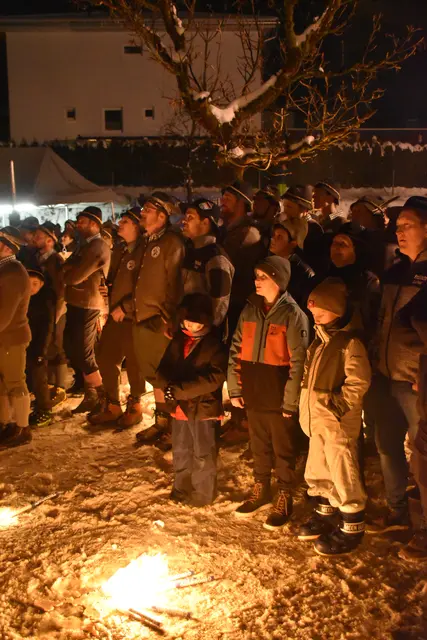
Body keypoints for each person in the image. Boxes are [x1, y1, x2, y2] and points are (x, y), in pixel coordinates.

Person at [228, 255, 309, 529]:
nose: (257, 281)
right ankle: (261, 487)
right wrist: (235, 387)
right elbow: (236, 349)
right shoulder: (250, 310)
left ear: (278, 280)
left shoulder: (293, 315)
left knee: (284, 448)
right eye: (256, 276)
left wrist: (290, 401)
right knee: (259, 444)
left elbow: (299, 362)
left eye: (263, 276)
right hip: (254, 391)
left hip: (278, 394)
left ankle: (285, 494)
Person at [295, 278, 371, 556]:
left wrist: (337, 407)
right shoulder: (319, 343)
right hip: (318, 420)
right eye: (313, 311)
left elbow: (358, 381)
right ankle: (324, 512)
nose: (316, 316)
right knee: (318, 466)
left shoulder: (349, 343)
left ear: (338, 311)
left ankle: (352, 521)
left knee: (342, 468)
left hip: (337, 422)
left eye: (322, 312)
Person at [373, 196, 427, 531]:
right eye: (397, 226)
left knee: (422, 457)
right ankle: (398, 511)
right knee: (386, 445)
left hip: (415, 380)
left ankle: (422, 524)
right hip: (385, 373)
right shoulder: (394, 272)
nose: (399, 231)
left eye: (407, 225)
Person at [155, 293, 227, 506]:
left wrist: (180, 390)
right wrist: (166, 385)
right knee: (181, 449)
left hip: (204, 408)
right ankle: (181, 487)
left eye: (196, 323)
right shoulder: (179, 340)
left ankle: (203, 493)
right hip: (180, 408)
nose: (191, 326)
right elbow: (164, 367)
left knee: (204, 452)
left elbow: (214, 379)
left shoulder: (214, 345)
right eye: (187, 322)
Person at [133, 192, 186, 445]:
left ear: (162, 216)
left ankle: (175, 427)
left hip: (160, 320)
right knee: (154, 374)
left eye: (147, 209)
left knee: (167, 375)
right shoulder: (148, 241)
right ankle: (161, 422)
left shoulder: (171, 242)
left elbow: (175, 283)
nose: (142, 213)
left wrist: (170, 318)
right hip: (145, 318)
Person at [88, 208, 146, 428]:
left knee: (135, 362)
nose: (120, 224)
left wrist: (127, 306)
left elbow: (148, 286)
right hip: (115, 313)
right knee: (106, 357)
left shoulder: (145, 249)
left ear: (137, 225)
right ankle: (112, 405)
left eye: (125, 221)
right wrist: (109, 292)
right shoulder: (120, 249)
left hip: (134, 315)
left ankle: (136, 404)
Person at [62, 206, 111, 413]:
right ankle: (90, 393)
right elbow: (67, 268)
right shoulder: (85, 245)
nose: (78, 225)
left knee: (84, 352)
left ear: (94, 224)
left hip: (89, 303)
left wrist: (68, 273)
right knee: (73, 348)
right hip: (77, 301)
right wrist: (69, 271)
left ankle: (101, 394)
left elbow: (74, 276)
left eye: (82, 222)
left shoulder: (97, 246)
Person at [219, 180, 265, 337]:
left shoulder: (248, 233)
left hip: (237, 307)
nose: (222, 201)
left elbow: (228, 266)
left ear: (241, 203)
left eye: (228, 198)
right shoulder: (226, 231)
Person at [0, 227, 32, 449]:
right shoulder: (5, 269)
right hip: (5, 336)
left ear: (7, 247)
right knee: (3, 383)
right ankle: (7, 423)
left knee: (14, 382)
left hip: (11, 337)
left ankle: (22, 427)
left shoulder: (12, 273)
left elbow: (4, 313)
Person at [182, 197, 234, 330]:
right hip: (187, 328)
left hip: (201, 332)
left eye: (190, 217)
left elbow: (219, 305)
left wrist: (207, 330)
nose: (183, 221)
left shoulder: (216, 258)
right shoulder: (191, 250)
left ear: (205, 223)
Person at [323, 222, 381, 340]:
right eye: (334, 243)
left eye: (342, 244)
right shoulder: (324, 277)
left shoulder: (368, 282)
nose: (335, 247)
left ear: (356, 249)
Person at [33, 222, 67, 406]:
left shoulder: (56, 260)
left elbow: (61, 288)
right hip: (41, 308)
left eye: (38, 236)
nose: (34, 239)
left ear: (49, 240)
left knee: (56, 343)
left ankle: (60, 387)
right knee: (44, 346)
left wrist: (58, 310)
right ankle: (48, 387)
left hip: (54, 307)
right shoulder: (37, 258)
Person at [26, 268, 56, 427]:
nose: (31, 287)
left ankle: (45, 410)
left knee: (39, 378)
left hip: (39, 347)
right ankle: (38, 406)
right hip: (27, 345)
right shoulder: (24, 299)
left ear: (42, 284)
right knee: (31, 376)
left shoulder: (45, 302)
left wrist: (41, 351)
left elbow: (47, 328)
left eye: (35, 284)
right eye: (28, 283)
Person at [270, 217, 315, 309]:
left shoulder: (303, 272)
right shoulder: (269, 262)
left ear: (293, 243)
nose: (273, 239)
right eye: (274, 235)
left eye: (279, 237)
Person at [280, 185, 325, 274]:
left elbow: (316, 263)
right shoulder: (284, 225)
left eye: (289, 207)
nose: (285, 211)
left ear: (304, 210)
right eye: (284, 206)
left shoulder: (313, 229)